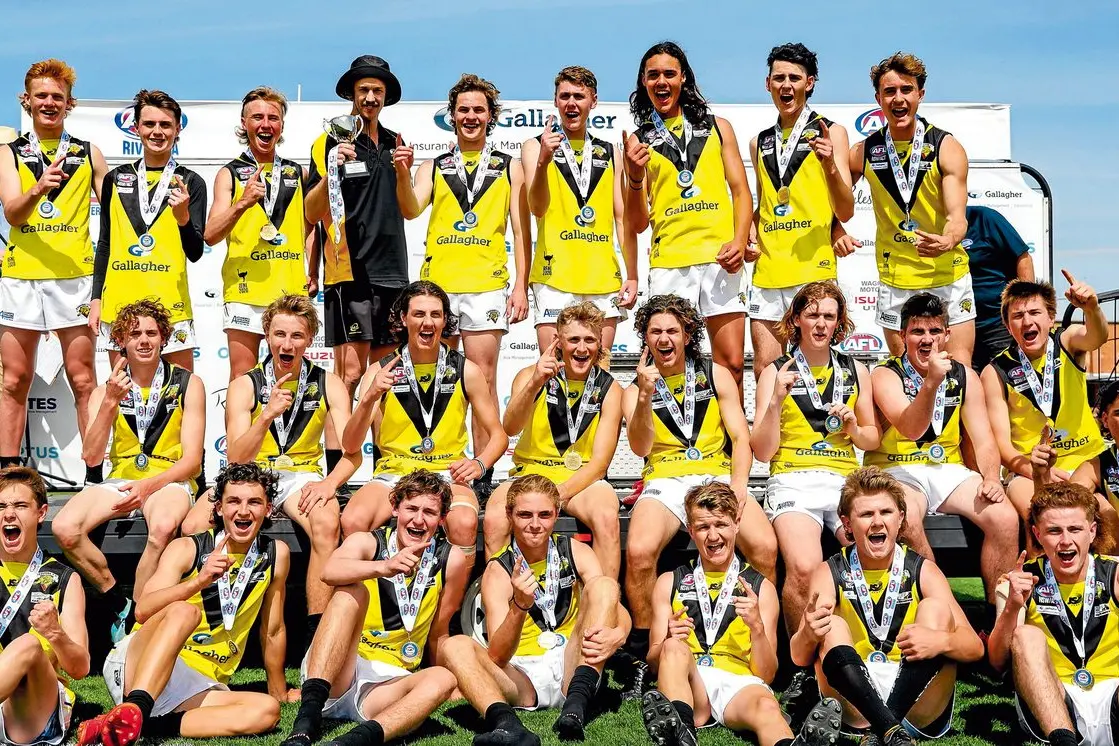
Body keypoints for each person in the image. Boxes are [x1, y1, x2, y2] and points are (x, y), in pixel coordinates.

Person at [180, 294, 355, 647]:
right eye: (279, 335)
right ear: (267, 335)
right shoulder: (245, 384)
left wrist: (330, 483)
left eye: (296, 336)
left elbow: (353, 454)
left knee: (326, 523)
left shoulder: (328, 382)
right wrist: (266, 415)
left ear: (309, 340)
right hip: (250, 472)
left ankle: (315, 636)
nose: (286, 344)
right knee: (193, 525)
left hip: (301, 473)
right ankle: (193, 622)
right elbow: (237, 457)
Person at [82, 463, 293, 746]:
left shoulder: (275, 554)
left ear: (268, 510)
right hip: (142, 663)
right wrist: (198, 581)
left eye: (254, 502)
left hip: (199, 683)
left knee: (266, 711)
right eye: (233, 501)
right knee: (185, 611)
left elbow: (274, 629)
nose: (243, 511)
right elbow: (143, 611)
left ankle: (141, 725)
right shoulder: (188, 548)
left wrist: (278, 691)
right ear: (218, 508)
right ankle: (136, 706)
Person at [394, 74, 529, 496]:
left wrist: (520, 284)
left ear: (492, 117)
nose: (471, 117)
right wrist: (402, 171)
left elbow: (521, 231)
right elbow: (411, 208)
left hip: (486, 284)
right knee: (441, 378)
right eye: (463, 110)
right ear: (451, 116)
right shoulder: (434, 164)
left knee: (482, 379)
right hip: (440, 288)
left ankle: (481, 469)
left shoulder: (511, 166)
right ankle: (437, 461)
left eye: (479, 110)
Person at [623, 294, 776, 663]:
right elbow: (642, 447)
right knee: (640, 552)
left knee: (765, 548)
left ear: (688, 334)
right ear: (645, 337)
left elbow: (741, 439)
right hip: (665, 478)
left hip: (715, 477)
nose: (664, 339)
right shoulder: (634, 388)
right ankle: (645, 653)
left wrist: (738, 486)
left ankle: (770, 645)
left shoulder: (715, 373)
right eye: (655, 331)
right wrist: (644, 396)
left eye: (672, 331)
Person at [791, 467, 984, 745]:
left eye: (886, 512)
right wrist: (808, 633)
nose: (877, 522)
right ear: (847, 523)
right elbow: (799, 656)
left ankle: (882, 729)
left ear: (901, 518)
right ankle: (890, 733)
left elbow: (975, 648)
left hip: (918, 701)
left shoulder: (924, 570)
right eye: (866, 514)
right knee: (830, 623)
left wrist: (941, 641)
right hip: (856, 696)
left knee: (936, 610)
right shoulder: (828, 570)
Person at [642, 481, 843, 746]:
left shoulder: (762, 588)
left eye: (721, 525)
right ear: (691, 531)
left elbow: (766, 675)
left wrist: (757, 629)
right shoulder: (670, 581)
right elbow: (655, 664)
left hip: (738, 683)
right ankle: (682, 734)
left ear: (737, 524)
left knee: (767, 708)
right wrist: (669, 637)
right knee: (671, 649)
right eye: (703, 527)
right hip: (688, 681)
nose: (713, 536)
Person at [52, 299, 204, 644]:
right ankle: (118, 602)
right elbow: (91, 456)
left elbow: (192, 460)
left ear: (165, 338)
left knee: (162, 528)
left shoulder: (188, 383)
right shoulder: (106, 390)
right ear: (122, 340)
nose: (144, 340)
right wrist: (109, 403)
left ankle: (139, 615)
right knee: (64, 527)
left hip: (170, 479)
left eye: (152, 333)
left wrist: (149, 486)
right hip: (121, 478)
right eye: (135, 334)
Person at [281, 470, 470, 746]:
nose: (418, 519)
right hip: (342, 671)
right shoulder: (369, 541)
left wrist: (448, 685)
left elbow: (439, 630)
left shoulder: (449, 558)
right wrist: (384, 567)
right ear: (395, 508)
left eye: (429, 512)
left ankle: (352, 741)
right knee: (350, 592)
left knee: (443, 678)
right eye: (411, 509)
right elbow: (329, 571)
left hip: (389, 685)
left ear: (442, 519)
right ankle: (307, 718)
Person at [441, 475, 631, 744]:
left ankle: (575, 707)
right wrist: (520, 606)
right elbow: (497, 655)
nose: (534, 524)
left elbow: (611, 602)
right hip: (524, 678)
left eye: (544, 514)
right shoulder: (498, 570)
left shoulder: (574, 550)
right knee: (454, 646)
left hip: (573, 663)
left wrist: (620, 633)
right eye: (524, 515)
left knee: (604, 584)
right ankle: (509, 726)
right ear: (509, 515)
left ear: (556, 514)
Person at [340, 281, 508, 574]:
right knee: (353, 520)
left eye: (435, 314)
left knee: (464, 522)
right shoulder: (380, 370)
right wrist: (369, 398)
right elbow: (351, 445)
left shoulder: (466, 369)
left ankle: (447, 614)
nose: (427, 322)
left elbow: (499, 436)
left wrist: (480, 464)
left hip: (446, 473)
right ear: (403, 319)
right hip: (394, 472)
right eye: (419, 314)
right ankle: (367, 608)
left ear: (445, 320)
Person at [866, 293, 1018, 602]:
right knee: (904, 520)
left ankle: (998, 617)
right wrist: (931, 382)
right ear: (902, 336)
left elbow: (984, 439)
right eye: (918, 332)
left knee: (1005, 517)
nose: (927, 340)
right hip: (897, 469)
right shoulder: (885, 374)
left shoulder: (965, 375)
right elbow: (910, 428)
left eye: (935, 331)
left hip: (948, 469)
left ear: (947, 335)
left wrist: (990, 476)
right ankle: (943, 608)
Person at [622, 41, 753, 389]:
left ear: (683, 78)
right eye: (653, 75)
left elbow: (741, 191)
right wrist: (635, 175)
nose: (661, 81)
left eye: (669, 73)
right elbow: (635, 223)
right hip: (671, 263)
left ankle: (730, 445)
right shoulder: (638, 141)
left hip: (720, 258)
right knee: (669, 366)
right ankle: (675, 443)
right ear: (643, 83)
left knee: (732, 366)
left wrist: (740, 240)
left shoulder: (718, 125)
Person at [752, 281, 880, 637]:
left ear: (839, 322)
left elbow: (872, 437)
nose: (821, 324)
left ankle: (868, 644)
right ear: (796, 320)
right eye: (812, 315)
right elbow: (762, 451)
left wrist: (854, 426)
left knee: (872, 554)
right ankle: (800, 662)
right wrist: (776, 401)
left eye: (829, 316)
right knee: (805, 567)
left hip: (844, 481)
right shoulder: (774, 371)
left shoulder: (856, 369)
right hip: (794, 479)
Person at [0, 60, 108, 479]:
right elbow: (12, 213)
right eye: (41, 95)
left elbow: (119, 213)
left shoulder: (88, 152)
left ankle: (95, 476)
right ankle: (9, 477)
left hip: (74, 279)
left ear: (70, 104)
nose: (49, 103)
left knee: (83, 381)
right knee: (14, 380)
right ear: (26, 101)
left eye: (57, 97)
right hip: (21, 277)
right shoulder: (8, 154)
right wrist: (38, 187)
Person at [849, 53, 974, 365]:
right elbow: (831, 201)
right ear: (878, 98)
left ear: (921, 94)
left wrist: (948, 240)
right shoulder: (864, 151)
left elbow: (957, 215)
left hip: (947, 274)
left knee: (957, 371)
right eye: (890, 92)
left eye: (906, 90)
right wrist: (836, 228)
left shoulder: (946, 146)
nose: (898, 98)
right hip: (896, 280)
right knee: (908, 375)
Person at [483, 301, 623, 578]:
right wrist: (535, 381)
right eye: (573, 340)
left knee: (607, 517)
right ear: (558, 341)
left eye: (589, 340)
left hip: (583, 480)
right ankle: (502, 600)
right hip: (530, 474)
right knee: (495, 516)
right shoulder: (530, 375)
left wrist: (555, 495)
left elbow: (599, 465)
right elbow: (510, 427)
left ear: (600, 343)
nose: (581, 349)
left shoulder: (610, 388)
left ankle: (603, 608)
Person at [747, 43, 855, 377]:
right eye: (779, 78)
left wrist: (830, 167)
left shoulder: (831, 131)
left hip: (813, 268)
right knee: (766, 367)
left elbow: (847, 209)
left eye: (794, 78)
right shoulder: (759, 141)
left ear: (809, 83)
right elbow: (763, 202)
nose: (786, 85)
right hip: (768, 270)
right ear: (768, 84)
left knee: (816, 368)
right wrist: (748, 238)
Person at [988, 481, 1119, 746]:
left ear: (1092, 532)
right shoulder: (1019, 581)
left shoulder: (1114, 574)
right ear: (1037, 534)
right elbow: (997, 662)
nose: (1066, 541)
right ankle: (1064, 741)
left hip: (1114, 694)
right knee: (1025, 635)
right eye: (1054, 531)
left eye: (1075, 529)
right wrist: (1013, 606)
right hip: (1054, 701)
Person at [306, 56, 408, 397]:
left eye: (377, 90)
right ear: (352, 93)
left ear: (385, 96)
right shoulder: (330, 140)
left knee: (387, 377)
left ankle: (384, 453)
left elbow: (408, 206)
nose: (370, 98)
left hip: (393, 270)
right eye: (363, 90)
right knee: (350, 375)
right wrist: (331, 171)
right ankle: (342, 453)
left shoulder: (397, 142)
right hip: (350, 272)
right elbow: (310, 210)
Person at [522, 65, 638, 353]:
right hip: (553, 278)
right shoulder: (535, 147)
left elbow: (622, 218)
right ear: (555, 101)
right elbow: (536, 208)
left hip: (602, 278)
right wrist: (543, 162)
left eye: (579, 96)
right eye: (564, 96)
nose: (571, 103)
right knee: (554, 372)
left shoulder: (610, 151)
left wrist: (633, 274)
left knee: (600, 372)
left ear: (593, 101)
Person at [90, 89, 207, 371]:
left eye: (165, 125)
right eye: (150, 124)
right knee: (122, 395)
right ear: (137, 128)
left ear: (178, 129)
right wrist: (95, 299)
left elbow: (195, 252)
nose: (157, 132)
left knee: (178, 395)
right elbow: (105, 242)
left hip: (171, 305)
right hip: (120, 303)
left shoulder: (192, 182)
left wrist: (182, 219)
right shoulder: (115, 179)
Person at [204, 86, 313, 381]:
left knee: (291, 377)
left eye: (273, 118)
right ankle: (242, 430)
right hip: (245, 291)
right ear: (244, 123)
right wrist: (242, 203)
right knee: (242, 377)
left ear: (281, 126)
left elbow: (310, 226)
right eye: (258, 118)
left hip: (290, 291)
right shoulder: (228, 173)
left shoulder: (297, 173)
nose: (266, 125)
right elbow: (210, 234)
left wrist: (312, 268)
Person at [982, 275, 1106, 522]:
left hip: (1087, 461)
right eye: (1017, 316)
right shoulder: (995, 371)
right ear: (1007, 326)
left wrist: (1092, 308)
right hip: (1028, 469)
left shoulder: (1068, 342)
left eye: (1035, 312)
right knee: (1038, 517)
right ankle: (1034, 562)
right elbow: (1004, 448)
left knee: (1107, 514)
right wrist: (1038, 472)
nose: (1027, 321)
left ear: (1051, 318)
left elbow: (1098, 337)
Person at [0, 467, 89, 746]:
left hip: (34, 712)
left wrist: (55, 634)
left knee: (28, 645)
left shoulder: (65, 579)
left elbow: (80, 668)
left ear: (41, 513)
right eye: (0, 506)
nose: (8, 514)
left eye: (20, 505)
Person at [962, 206, 1035, 370]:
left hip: (997, 323)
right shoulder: (931, 225)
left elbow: (1023, 258)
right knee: (966, 384)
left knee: (1008, 377)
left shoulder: (984, 218)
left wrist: (1025, 306)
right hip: (959, 326)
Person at [1050, 380, 1119, 548]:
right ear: (1105, 419)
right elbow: (1063, 506)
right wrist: (1040, 475)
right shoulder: (1095, 466)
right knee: (1095, 503)